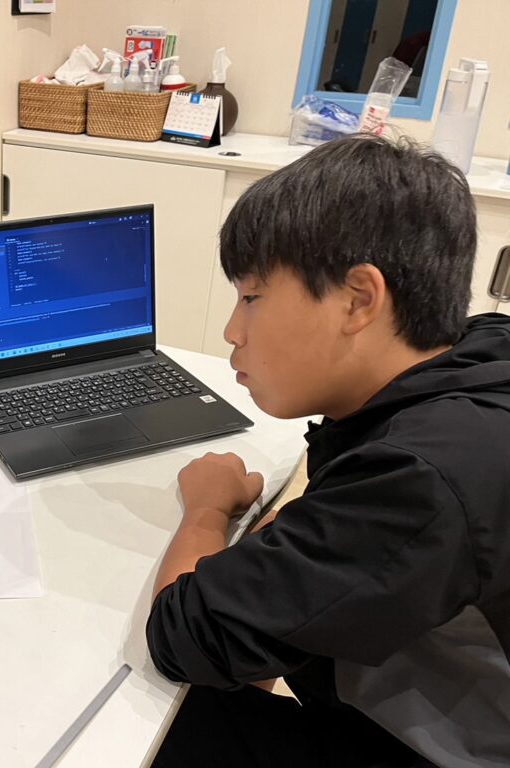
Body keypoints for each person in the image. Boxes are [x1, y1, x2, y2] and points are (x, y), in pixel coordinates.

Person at [146, 135, 510, 767]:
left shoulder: (421, 478)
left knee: (160, 718)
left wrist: (207, 511)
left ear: (359, 299)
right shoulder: (481, 352)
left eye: (252, 297)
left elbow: (185, 635)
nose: (232, 331)